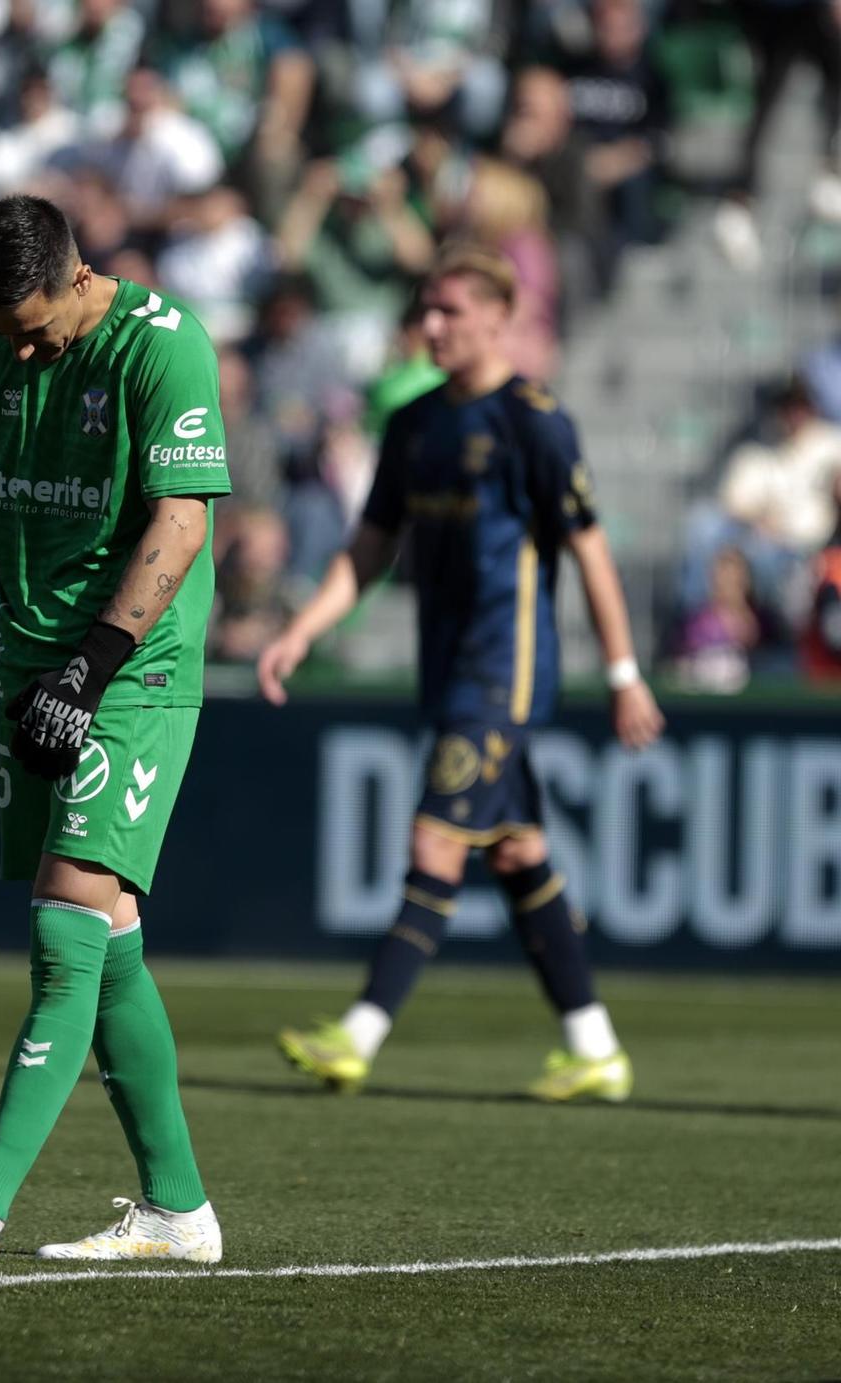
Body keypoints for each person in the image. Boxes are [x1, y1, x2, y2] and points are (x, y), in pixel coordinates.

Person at [0, 194, 228, 1265]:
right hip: (29, 662)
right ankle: (177, 1211)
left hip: (132, 662)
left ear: (76, 277)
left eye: (32, 328)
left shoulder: (163, 347)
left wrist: (94, 663)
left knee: (65, 911)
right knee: (104, 937)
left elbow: (181, 518)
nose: (16, 349)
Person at [259, 243, 665, 1104]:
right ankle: (594, 1046)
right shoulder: (415, 423)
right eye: (425, 310)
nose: (430, 325)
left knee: (434, 839)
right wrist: (301, 630)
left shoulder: (535, 421)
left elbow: (590, 552)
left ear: (496, 316)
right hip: (446, 669)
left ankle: (360, 1031)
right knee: (517, 852)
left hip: (502, 672)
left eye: (447, 311)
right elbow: (369, 548)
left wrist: (625, 672)